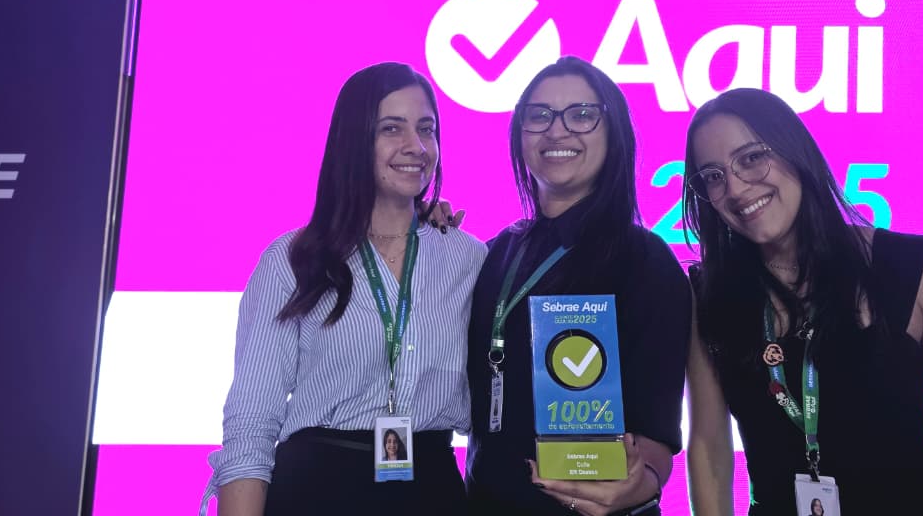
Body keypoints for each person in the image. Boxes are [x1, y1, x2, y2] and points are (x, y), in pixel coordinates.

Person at [682, 88, 923, 516]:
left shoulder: (921, 270)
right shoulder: (708, 296)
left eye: (752, 158)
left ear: (795, 151)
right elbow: (709, 451)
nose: (735, 188)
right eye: (713, 176)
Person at [207, 63, 487, 516]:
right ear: (354, 140)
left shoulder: (468, 259)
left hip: (432, 489)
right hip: (317, 490)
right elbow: (251, 425)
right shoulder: (293, 259)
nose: (416, 146)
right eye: (391, 128)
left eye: (426, 129)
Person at [465, 56, 691, 515]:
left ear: (614, 132)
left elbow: (656, 435)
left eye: (582, 115)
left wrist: (641, 482)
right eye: (539, 115)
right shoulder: (496, 251)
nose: (557, 131)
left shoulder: (644, 260)